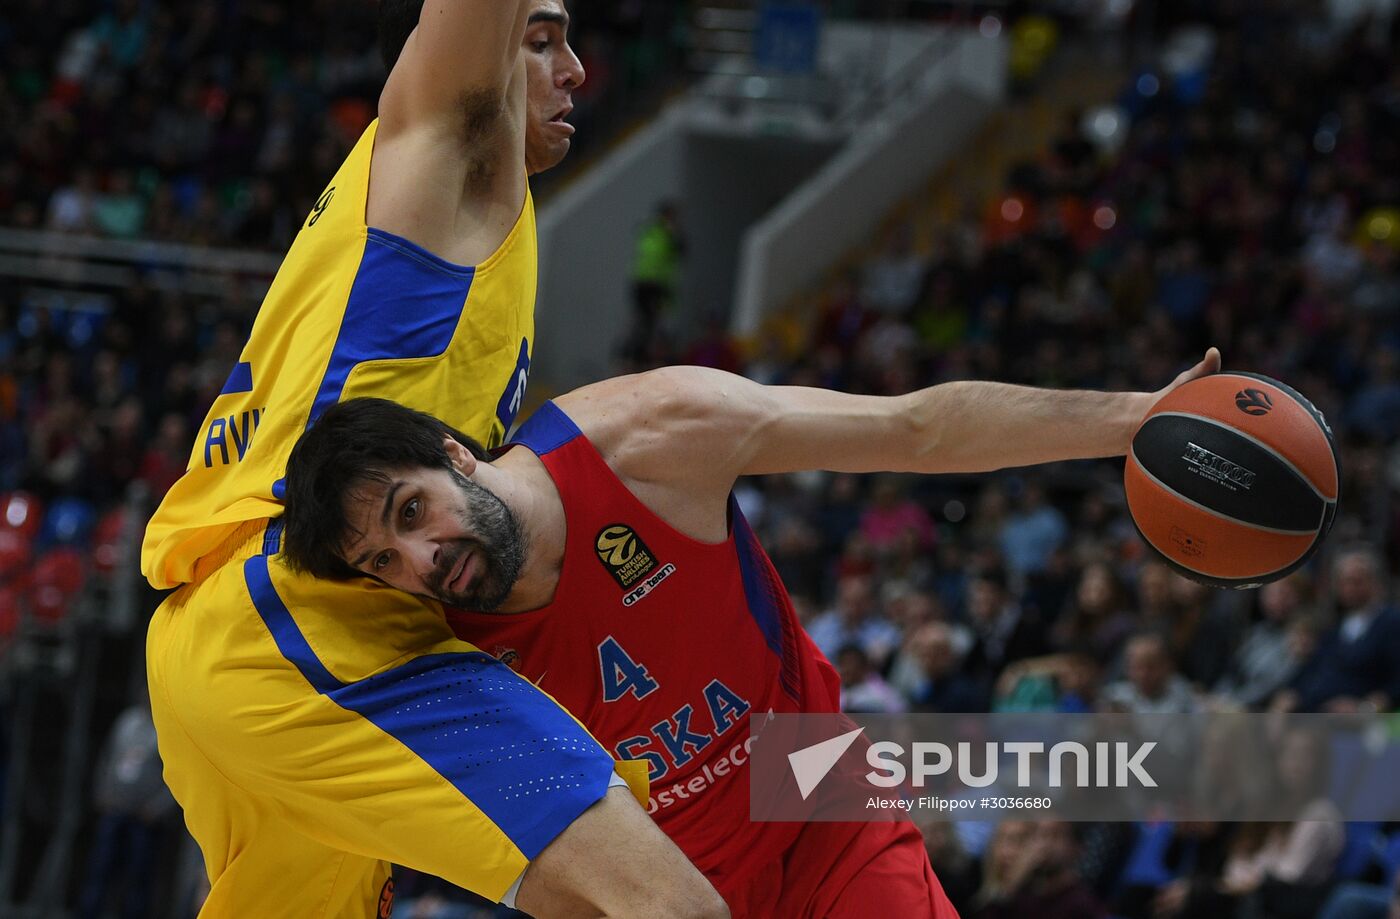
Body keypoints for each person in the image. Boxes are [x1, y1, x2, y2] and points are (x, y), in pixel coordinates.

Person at [140, 3, 726, 917]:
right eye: (540, 38)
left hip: (228, 640)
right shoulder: (443, 148)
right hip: (299, 627)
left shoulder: (446, 209)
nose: (575, 68)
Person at [280, 349, 1223, 915]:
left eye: (412, 512)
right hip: (662, 885)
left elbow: (917, 428)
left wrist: (1134, 420)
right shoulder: (408, 634)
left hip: (808, 789)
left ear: (455, 454)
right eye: (381, 561)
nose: (418, 561)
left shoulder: (645, 436)